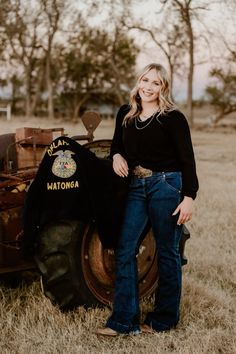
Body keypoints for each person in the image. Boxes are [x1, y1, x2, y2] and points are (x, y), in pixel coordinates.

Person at [96, 63, 199, 336]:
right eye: (145, 80)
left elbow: (187, 159)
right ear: (138, 82)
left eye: (156, 83)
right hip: (136, 185)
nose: (148, 87)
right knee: (125, 248)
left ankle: (163, 320)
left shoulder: (173, 118)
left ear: (163, 88)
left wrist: (189, 197)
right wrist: (117, 155)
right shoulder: (126, 113)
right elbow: (117, 144)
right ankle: (124, 321)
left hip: (166, 185)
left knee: (167, 251)